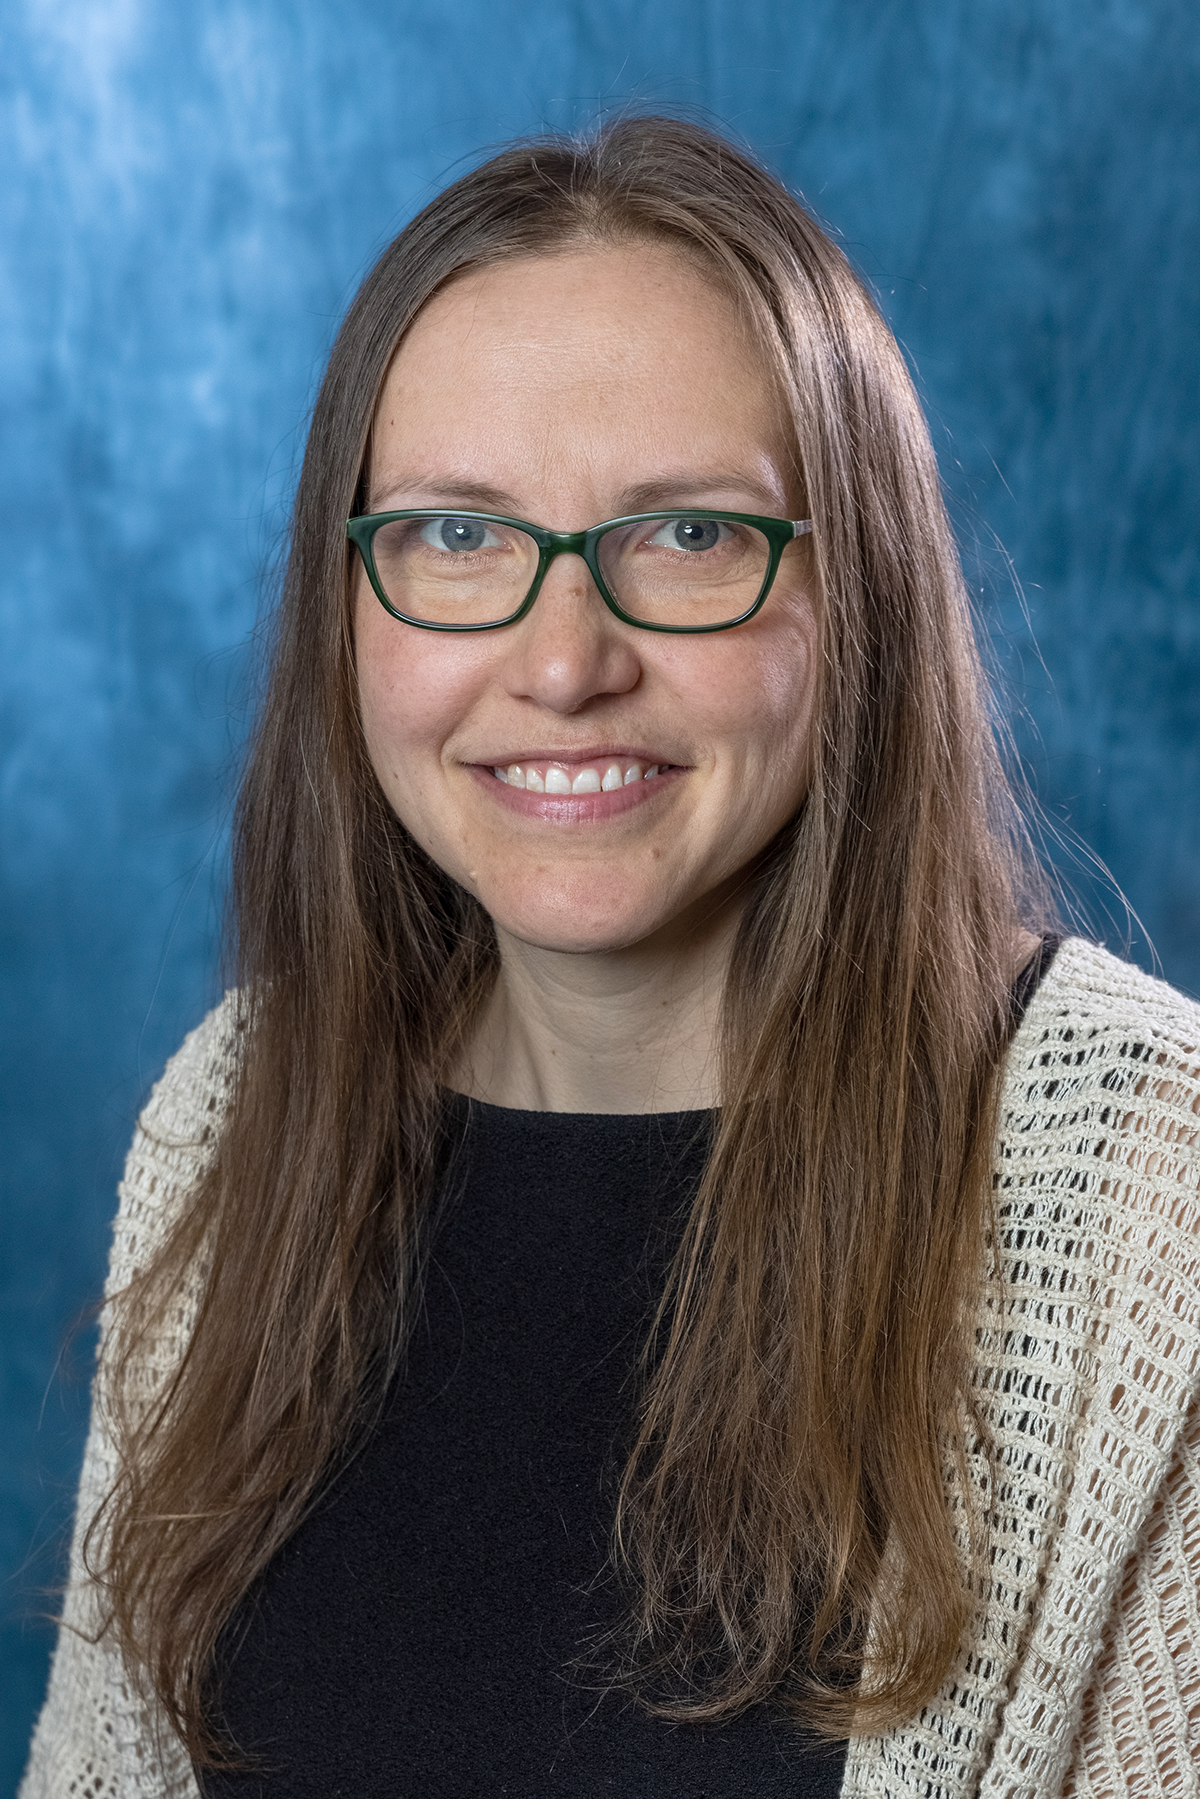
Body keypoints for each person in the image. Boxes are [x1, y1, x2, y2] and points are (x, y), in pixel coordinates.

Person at [21, 117, 1200, 1799]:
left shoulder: (1151, 1185)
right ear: (345, 598)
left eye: (692, 536)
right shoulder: (234, 1111)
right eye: (455, 536)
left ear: (853, 587)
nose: (563, 661)